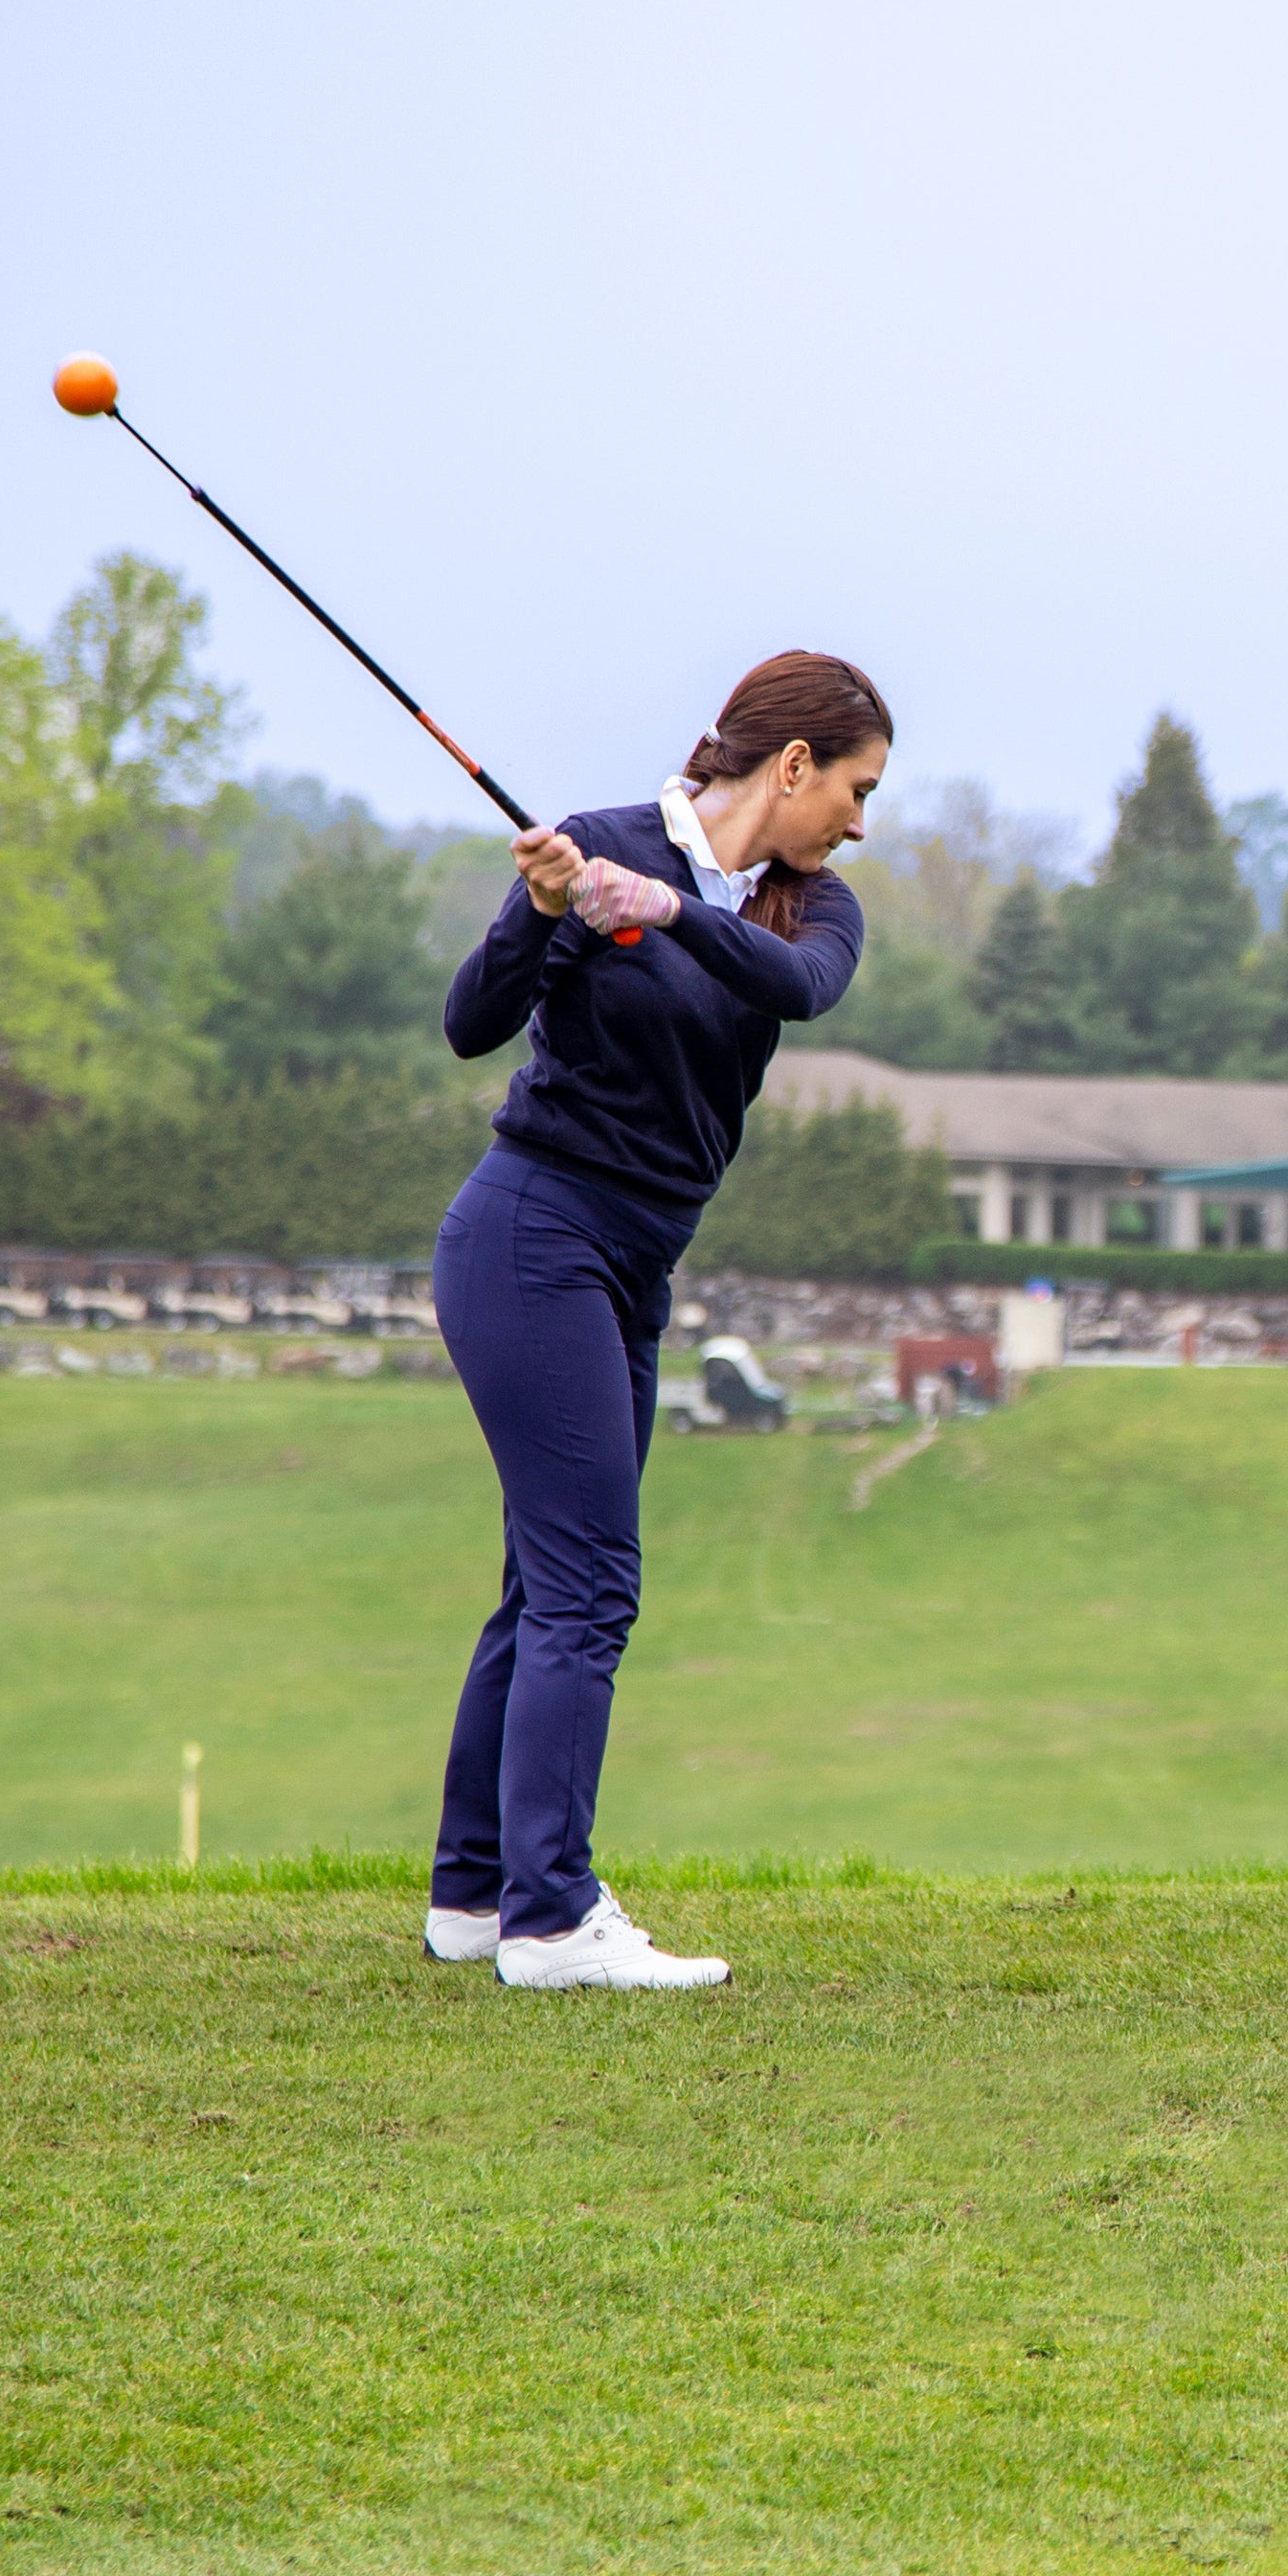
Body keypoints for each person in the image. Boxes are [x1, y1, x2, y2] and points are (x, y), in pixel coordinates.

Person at [423, 651, 889, 1989]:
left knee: (547, 1578)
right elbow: (472, 1023)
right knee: (589, 1583)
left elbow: (793, 991)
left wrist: (664, 912)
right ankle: (555, 1917)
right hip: (533, 1235)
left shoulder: (814, 907)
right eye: (854, 787)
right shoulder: (602, 843)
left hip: (634, 1264)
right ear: (793, 766)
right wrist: (544, 907)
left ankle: (474, 1896)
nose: (861, 818)